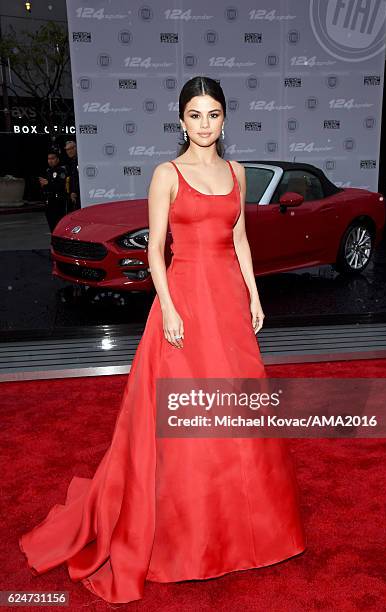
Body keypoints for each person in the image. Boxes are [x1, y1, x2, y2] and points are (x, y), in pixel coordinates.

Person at [19, 76, 306, 604]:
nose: (204, 124)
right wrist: (170, 309)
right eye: (194, 115)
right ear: (181, 120)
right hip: (186, 304)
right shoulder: (167, 175)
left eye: (213, 114)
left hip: (229, 304)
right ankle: (188, 534)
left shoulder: (237, 173)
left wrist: (255, 297)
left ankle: (246, 531)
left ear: (224, 118)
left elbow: (240, 238)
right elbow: (155, 251)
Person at [39, 150, 68, 232]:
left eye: (52, 158)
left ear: (57, 159)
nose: (50, 160)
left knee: (58, 224)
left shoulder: (61, 170)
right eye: (48, 159)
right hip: (49, 201)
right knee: (51, 225)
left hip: (58, 201)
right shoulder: (48, 171)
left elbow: (61, 185)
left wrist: (48, 183)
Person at [64, 139, 81, 212]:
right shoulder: (71, 162)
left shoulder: (80, 160)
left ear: (76, 148)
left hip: (80, 194)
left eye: (71, 148)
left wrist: (75, 191)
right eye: (67, 150)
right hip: (73, 194)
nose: (69, 151)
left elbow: (78, 179)